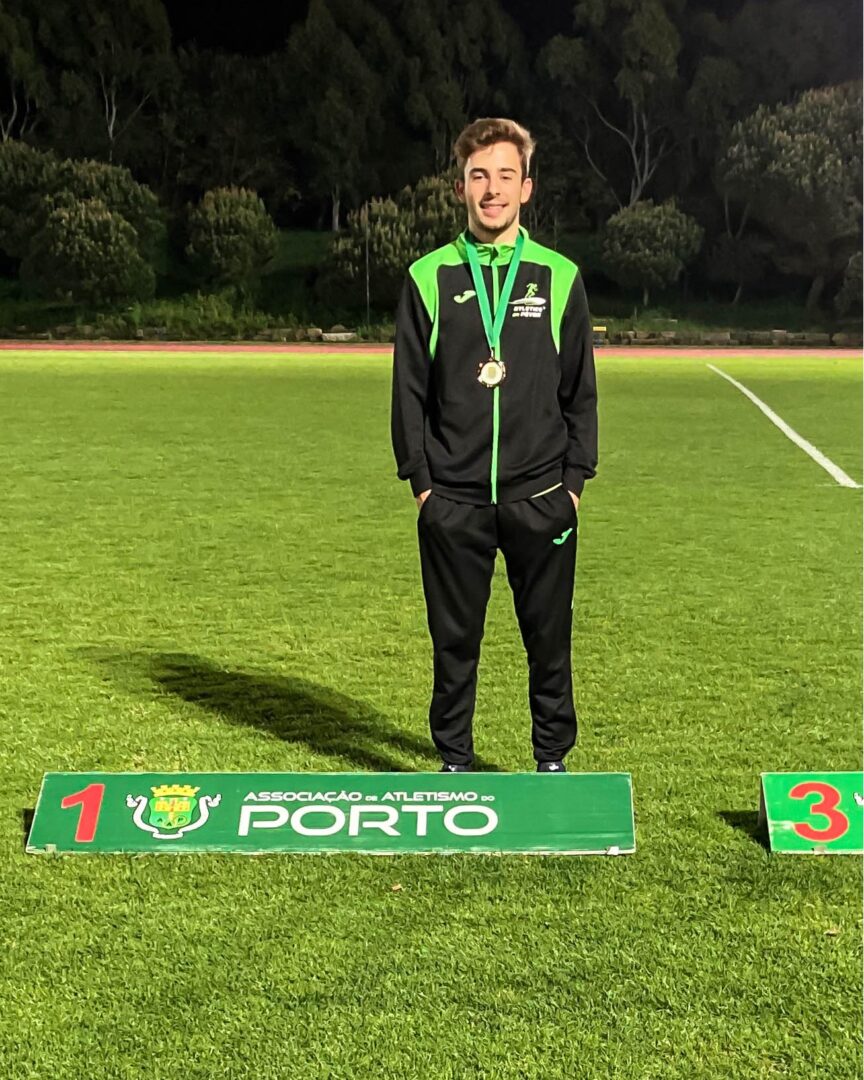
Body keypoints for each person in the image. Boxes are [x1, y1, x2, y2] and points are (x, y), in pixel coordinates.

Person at [390, 117, 597, 775]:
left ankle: (552, 759)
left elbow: (581, 390)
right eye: (479, 176)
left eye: (506, 175)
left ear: (526, 188)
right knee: (454, 643)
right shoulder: (428, 277)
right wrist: (423, 485)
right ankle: (455, 758)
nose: (492, 189)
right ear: (460, 188)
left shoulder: (558, 276)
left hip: (542, 495)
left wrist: (573, 484)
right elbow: (408, 392)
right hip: (453, 501)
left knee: (549, 640)